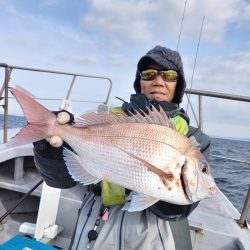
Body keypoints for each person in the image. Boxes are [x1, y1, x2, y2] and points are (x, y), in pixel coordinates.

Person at [33, 45, 210, 250]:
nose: (159, 81)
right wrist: (49, 146)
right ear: (140, 81)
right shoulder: (112, 120)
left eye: (169, 75)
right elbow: (60, 180)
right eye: (149, 74)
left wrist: (167, 180)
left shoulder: (194, 139)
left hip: (150, 232)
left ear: (178, 84)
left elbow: (176, 211)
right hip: (94, 219)